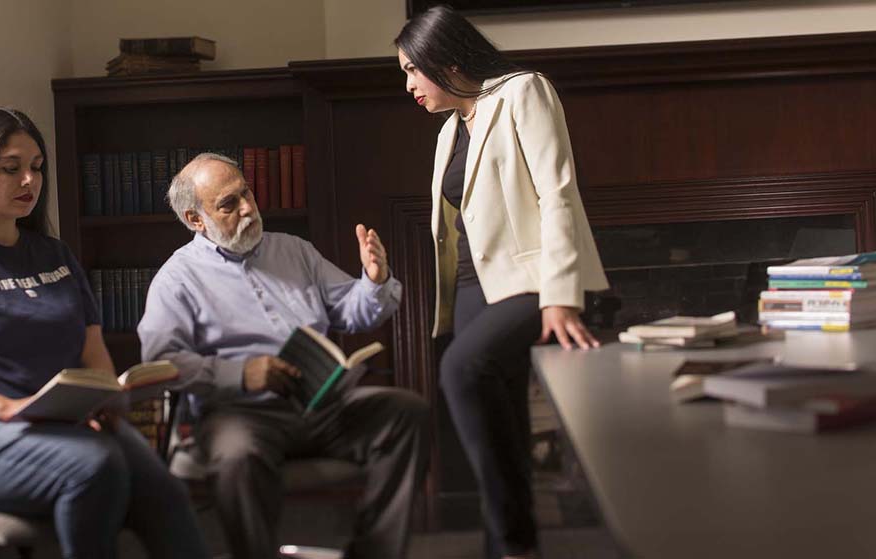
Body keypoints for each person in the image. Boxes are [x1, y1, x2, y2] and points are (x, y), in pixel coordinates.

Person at [0, 108, 208, 559]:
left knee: (164, 491)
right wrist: (8, 408)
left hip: (66, 426)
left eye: (36, 168)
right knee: (95, 466)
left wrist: (104, 397)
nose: (29, 181)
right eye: (11, 169)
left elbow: (94, 353)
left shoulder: (55, 255)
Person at [138, 153, 430, 559]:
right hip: (241, 413)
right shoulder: (177, 278)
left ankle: (374, 552)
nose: (248, 209)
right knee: (237, 454)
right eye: (228, 204)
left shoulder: (295, 251)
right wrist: (240, 374)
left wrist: (374, 280)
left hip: (321, 406)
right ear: (195, 219)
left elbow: (352, 311)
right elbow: (162, 362)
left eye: (247, 194)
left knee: (406, 412)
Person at [396, 7, 610, 559]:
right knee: (506, 425)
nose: (408, 86)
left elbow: (556, 192)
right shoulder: (447, 133)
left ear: (441, 58)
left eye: (411, 70)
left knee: (460, 369)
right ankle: (508, 548)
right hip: (470, 290)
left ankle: (514, 542)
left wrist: (561, 296)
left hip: (532, 281)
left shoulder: (523, 92)